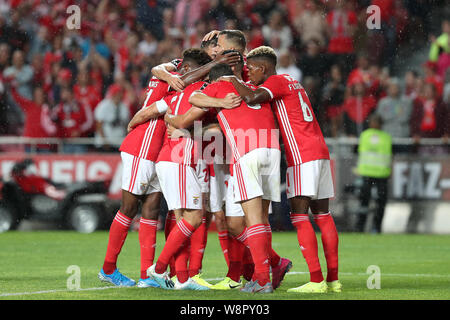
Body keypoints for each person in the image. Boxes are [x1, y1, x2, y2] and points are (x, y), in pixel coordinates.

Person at [166, 56, 292, 292]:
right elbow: (231, 120)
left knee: (252, 219)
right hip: (272, 150)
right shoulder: (252, 88)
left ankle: (263, 279)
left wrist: (217, 101)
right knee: (262, 219)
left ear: (214, 78)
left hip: (248, 152)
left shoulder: (217, 86)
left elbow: (193, 98)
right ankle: (265, 272)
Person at [221, 46, 341, 294]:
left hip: (301, 154)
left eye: (251, 69)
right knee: (323, 216)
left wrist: (231, 79)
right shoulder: (292, 81)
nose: (248, 75)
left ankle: (317, 281)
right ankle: (333, 280)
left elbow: (252, 98)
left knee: (299, 217)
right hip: (320, 150)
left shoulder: (274, 82)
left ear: (263, 68)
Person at [98, 48, 212, 288]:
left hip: (159, 150)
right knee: (129, 207)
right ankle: (108, 268)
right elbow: (159, 73)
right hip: (143, 145)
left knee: (151, 210)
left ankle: (146, 276)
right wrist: (133, 122)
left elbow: (160, 72)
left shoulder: (178, 80)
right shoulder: (174, 75)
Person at [355, 114, 392, 233]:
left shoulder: (365, 136)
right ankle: (373, 227)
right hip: (377, 174)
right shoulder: (385, 137)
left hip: (372, 173)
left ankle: (363, 226)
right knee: (377, 203)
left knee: (367, 202)